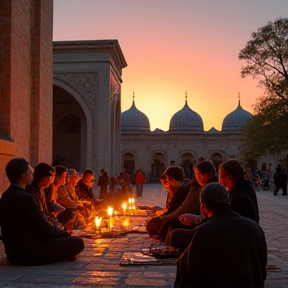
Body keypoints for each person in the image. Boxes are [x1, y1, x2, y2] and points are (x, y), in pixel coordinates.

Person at [175, 183, 267, 288]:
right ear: (229, 202)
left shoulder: (204, 231)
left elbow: (192, 272)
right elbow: (262, 269)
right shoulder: (254, 227)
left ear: (202, 206)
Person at [0, 158, 84, 265]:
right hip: (28, 252)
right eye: (29, 171)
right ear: (22, 176)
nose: (32, 173)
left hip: (13, 253)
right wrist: (66, 233)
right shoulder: (26, 198)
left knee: (66, 242)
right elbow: (45, 229)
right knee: (77, 243)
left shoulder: (6, 195)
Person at [161, 160, 218, 246]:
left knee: (173, 230)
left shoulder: (213, 189)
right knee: (169, 225)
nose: (199, 177)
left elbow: (186, 208)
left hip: (206, 227)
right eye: (197, 174)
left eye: (201, 174)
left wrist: (194, 219)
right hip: (198, 221)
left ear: (209, 174)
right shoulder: (196, 186)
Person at [146, 166, 190, 235]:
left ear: (172, 180)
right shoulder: (176, 190)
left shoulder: (183, 191)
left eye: (167, 180)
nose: (166, 183)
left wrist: (159, 218)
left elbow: (174, 212)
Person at [218, 159, 260, 223]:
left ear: (229, 177)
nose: (219, 181)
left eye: (221, 177)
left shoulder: (237, 197)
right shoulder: (247, 190)